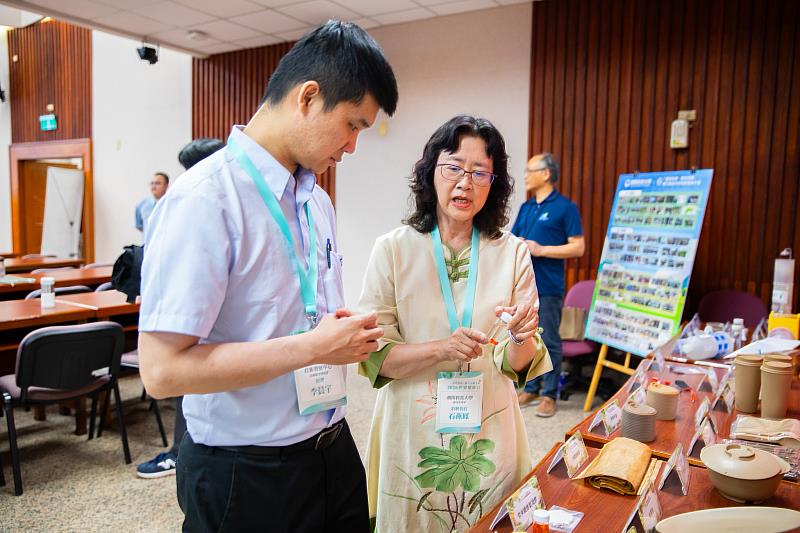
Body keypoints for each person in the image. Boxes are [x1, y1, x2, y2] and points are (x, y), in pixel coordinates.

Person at [137, 21, 398, 532]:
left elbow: (296, 316)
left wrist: (339, 335)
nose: (351, 147)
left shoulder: (317, 202)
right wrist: (312, 347)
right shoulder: (204, 200)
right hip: (246, 469)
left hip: (331, 446)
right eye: (352, 125)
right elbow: (162, 371)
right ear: (308, 97)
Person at [359, 116, 551, 532]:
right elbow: (376, 358)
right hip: (411, 427)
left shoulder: (513, 253)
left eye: (480, 172)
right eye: (454, 168)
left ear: (493, 183)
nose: (465, 183)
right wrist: (441, 349)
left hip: (490, 423)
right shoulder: (392, 250)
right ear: (431, 172)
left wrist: (522, 339)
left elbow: (517, 364)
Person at [135, 138, 225, 479]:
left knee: (194, 385)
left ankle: (178, 452)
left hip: (205, 321)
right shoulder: (188, 201)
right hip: (196, 318)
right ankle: (179, 451)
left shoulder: (198, 201)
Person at [511, 153, 585, 417]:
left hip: (549, 286)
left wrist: (541, 249)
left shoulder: (565, 207)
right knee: (527, 337)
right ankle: (531, 387)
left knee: (549, 339)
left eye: (529, 170)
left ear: (545, 174)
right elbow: (513, 239)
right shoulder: (527, 207)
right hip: (524, 286)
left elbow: (578, 247)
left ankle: (549, 394)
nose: (525, 175)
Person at [134, 172, 169, 236]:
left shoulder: (171, 204)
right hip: (148, 242)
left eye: (157, 183)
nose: (153, 187)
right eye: (152, 183)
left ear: (166, 186)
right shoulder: (141, 205)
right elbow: (139, 226)